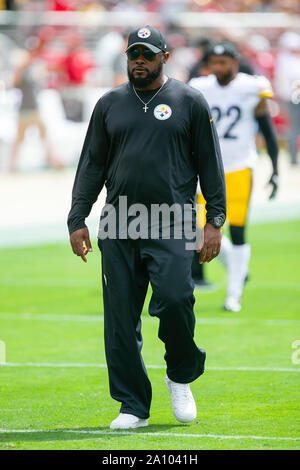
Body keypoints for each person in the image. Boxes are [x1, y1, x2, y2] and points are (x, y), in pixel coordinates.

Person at [67, 26, 226, 429]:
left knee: (175, 300)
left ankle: (180, 373)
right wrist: (77, 218)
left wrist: (215, 221)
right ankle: (133, 405)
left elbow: (210, 163)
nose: (139, 60)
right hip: (117, 224)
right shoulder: (108, 104)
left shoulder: (189, 101)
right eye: (134, 54)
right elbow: (92, 166)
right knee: (120, 320)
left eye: (148, 54)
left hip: (173, 222)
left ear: (165, 57)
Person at [189, 41, 279, 313]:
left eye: (224, 62)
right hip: (206, 168)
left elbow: (267, 129)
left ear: (235, 63)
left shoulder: (252, 87)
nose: (219, 68)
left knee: (237, 229)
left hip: (240, 166)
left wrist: (275, 168)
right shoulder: (199, 87)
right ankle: (239, 271)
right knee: (197, 230)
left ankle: (234, 294)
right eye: (214, 63)